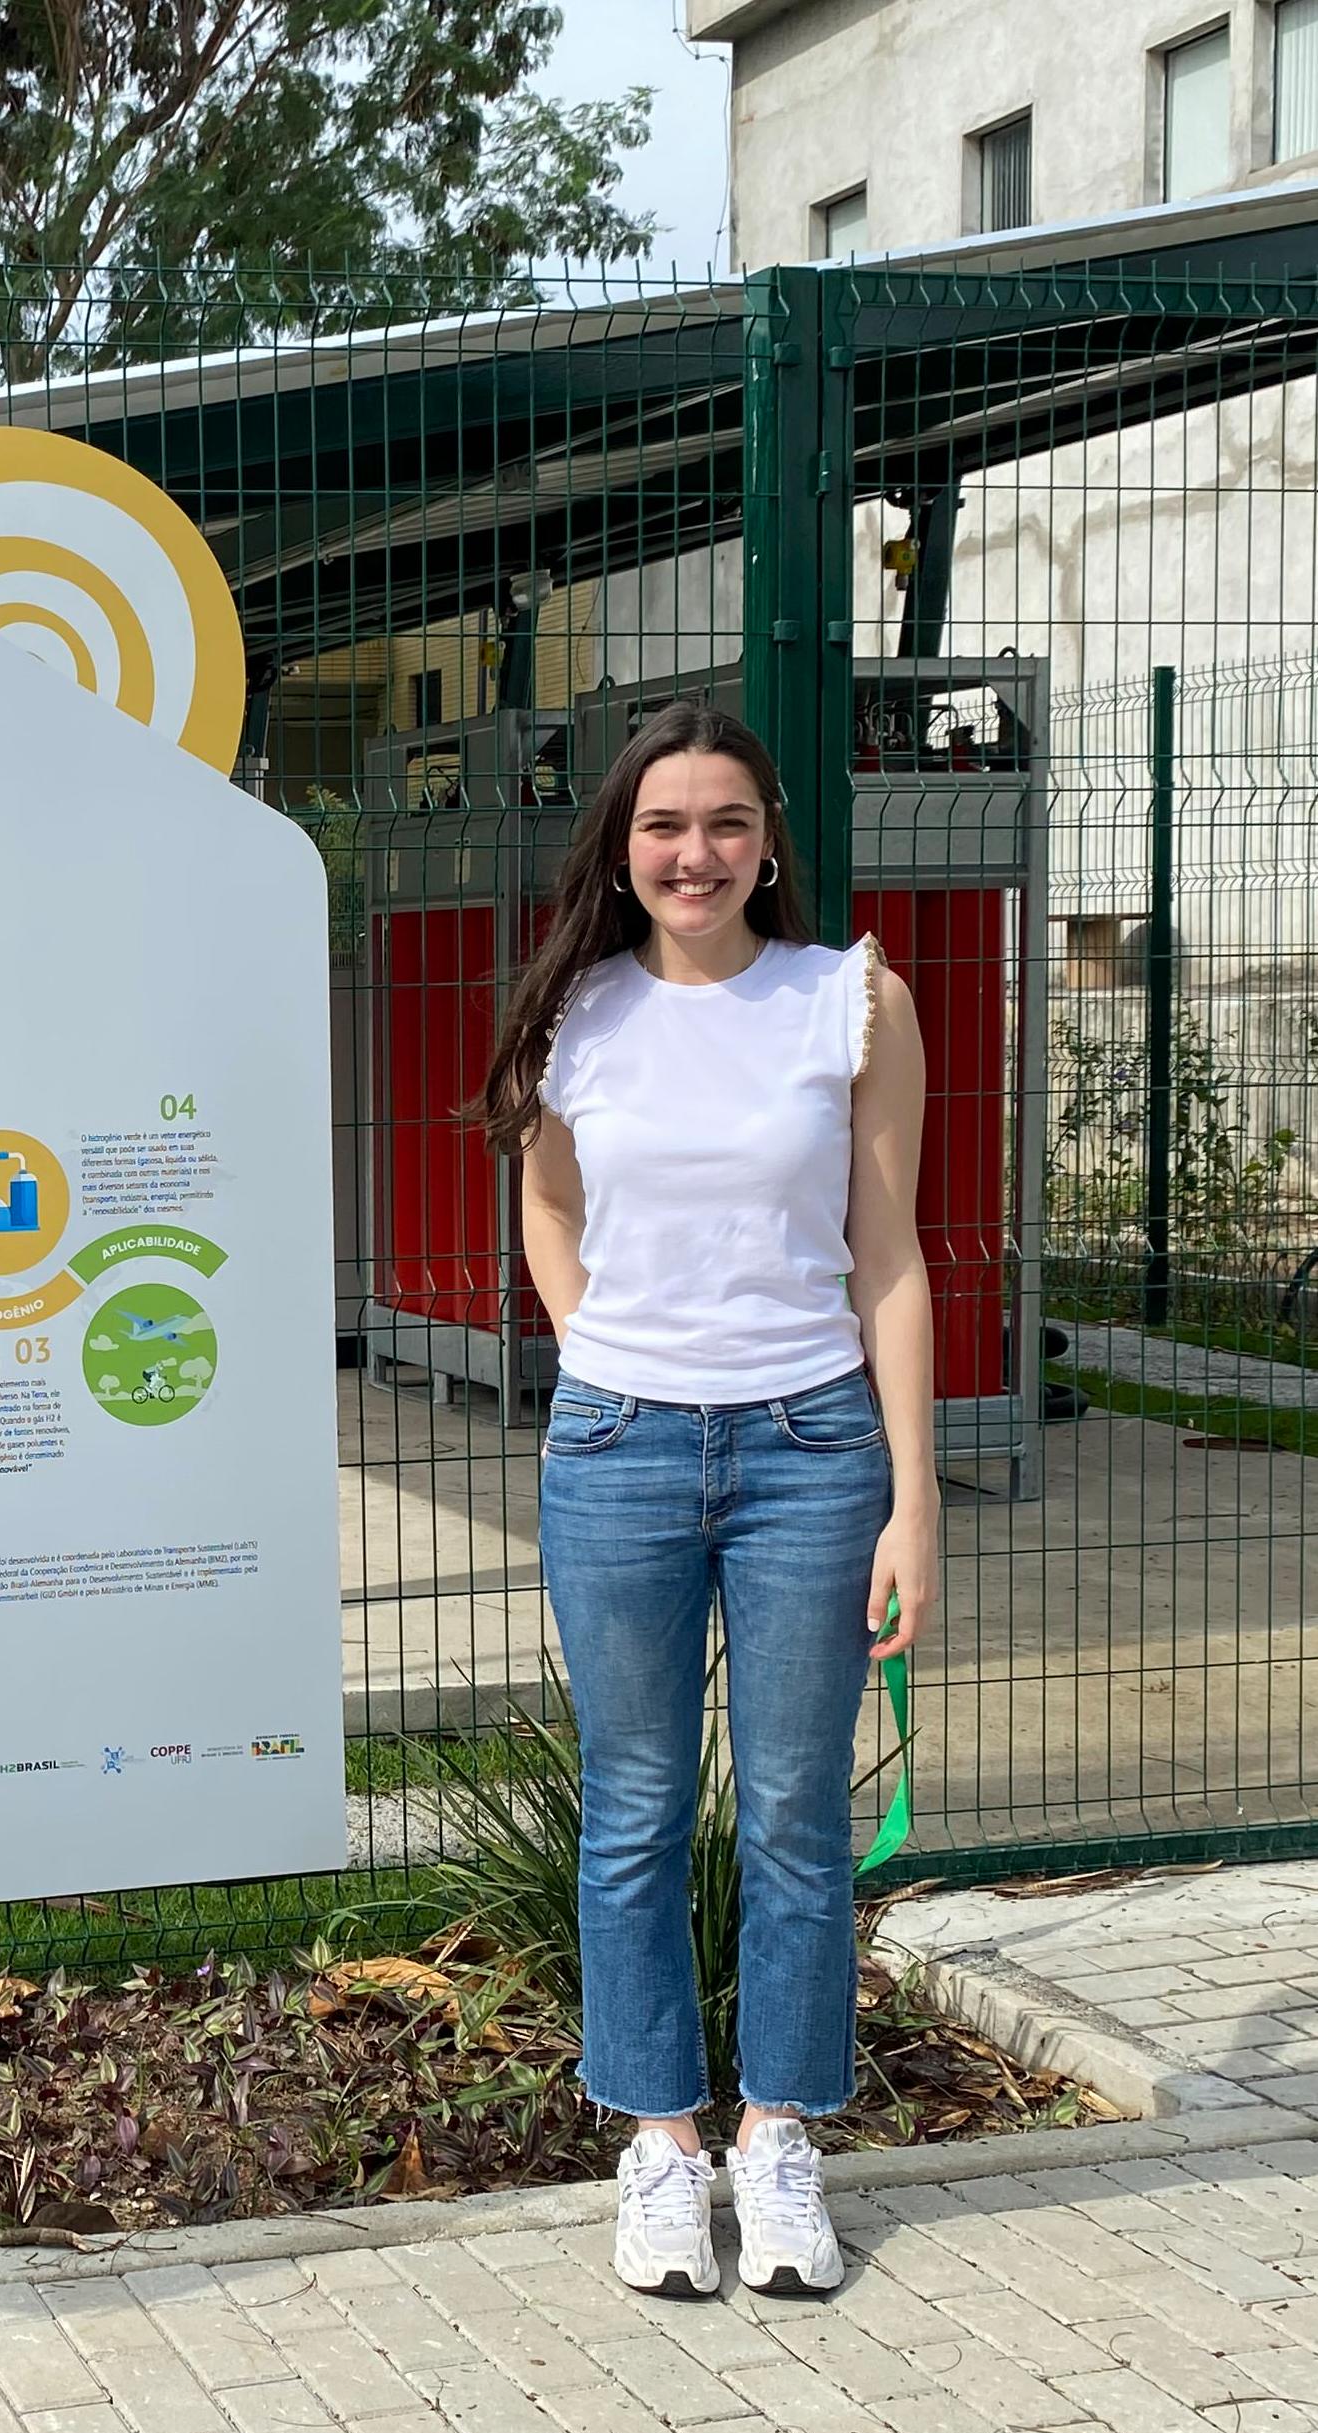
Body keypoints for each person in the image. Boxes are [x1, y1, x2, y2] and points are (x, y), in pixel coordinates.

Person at [473, 699, 939, 2302]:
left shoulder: (852, 1003)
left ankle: (781, 2138)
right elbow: (545, 1209)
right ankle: (663, 2149)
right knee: (635, 1810)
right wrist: (602, 1342)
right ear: (621, 843)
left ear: (771, 842)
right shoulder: (572, 1015)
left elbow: (889, 1260)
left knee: (803, 1818)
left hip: (814, 1451)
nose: (695, 852)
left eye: (726, 822)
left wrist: (914, 1497)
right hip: (620, 1451)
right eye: (664, 825)